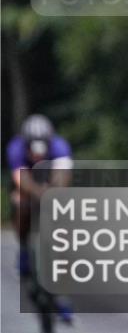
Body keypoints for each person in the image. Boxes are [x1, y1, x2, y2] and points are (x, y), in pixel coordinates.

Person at [7, 113, 74, 323]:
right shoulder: (16, 148)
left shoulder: (59, 147)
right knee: (20, 203)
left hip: (51, 184)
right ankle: (25, 249)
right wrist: (37, 193)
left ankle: (61, 295)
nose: (36, 152)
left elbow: (63, 175)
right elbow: (20, 178)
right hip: (28, 186)